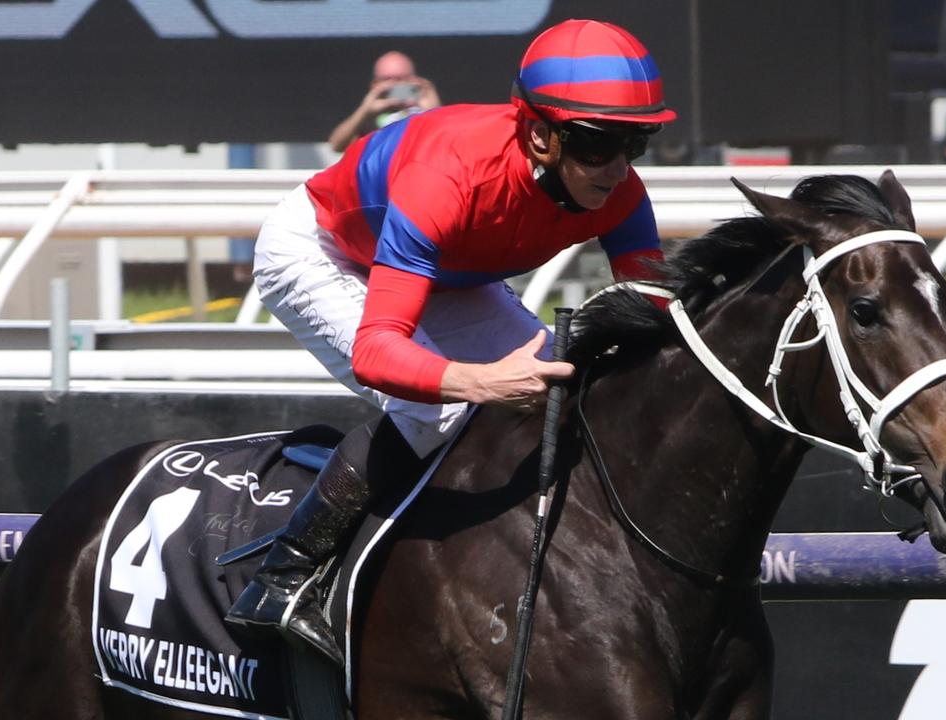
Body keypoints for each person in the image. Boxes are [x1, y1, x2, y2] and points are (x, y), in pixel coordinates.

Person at [227, 19, 677, 666]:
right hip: (324, 250)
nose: (618, 168)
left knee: (562, 390)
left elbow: (656, 315)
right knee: (435, 408)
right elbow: (377, 352)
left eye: (638, 142)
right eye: (599, 145)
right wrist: (482, 382)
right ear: (540, 134)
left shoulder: (620, 194)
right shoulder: (450, 178)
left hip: (444, 268)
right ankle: (285, 579)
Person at [327, 50, 442, 153]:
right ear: (375, 84)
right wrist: (365, 110)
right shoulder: (369, 118)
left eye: (402, 79)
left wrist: (433, 110)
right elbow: (337, 145)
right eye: (387, 80)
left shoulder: (423, 113)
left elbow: (443, 142)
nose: (395, 85)